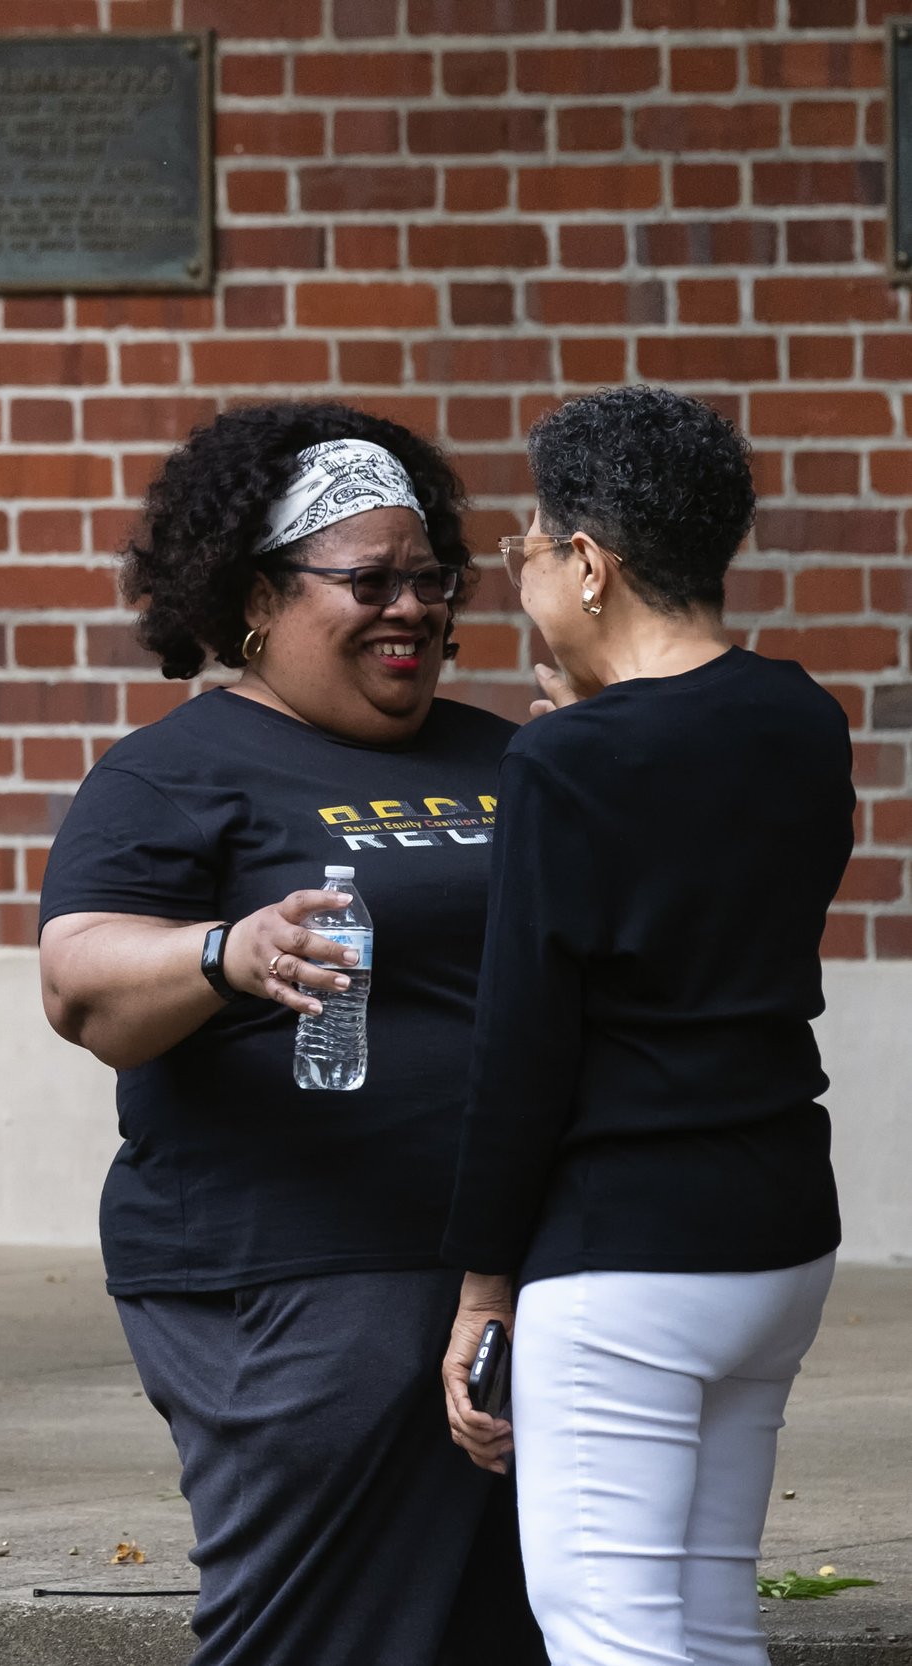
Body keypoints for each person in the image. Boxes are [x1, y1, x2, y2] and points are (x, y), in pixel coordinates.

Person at [38, 401, 545, 1666]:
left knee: (504, 1624)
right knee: (317, 1633)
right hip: (294, 1275)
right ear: (257, 597)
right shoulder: (175, 773)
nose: (412, 609)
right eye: (369, 579)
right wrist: (225, 952)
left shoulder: (513, 759)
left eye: (432, 579)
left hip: (515, 1263)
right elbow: (80, 985)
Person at [441, 386, 853, 1666]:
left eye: (526, 547)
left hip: (627, 1259)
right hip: (776, 1231)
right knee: (708, 1623)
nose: (520, 576)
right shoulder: (801, 717)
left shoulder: (565, 764)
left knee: (610, 1632)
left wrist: (477, 1288)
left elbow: (522, 1047)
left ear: (590, 562)